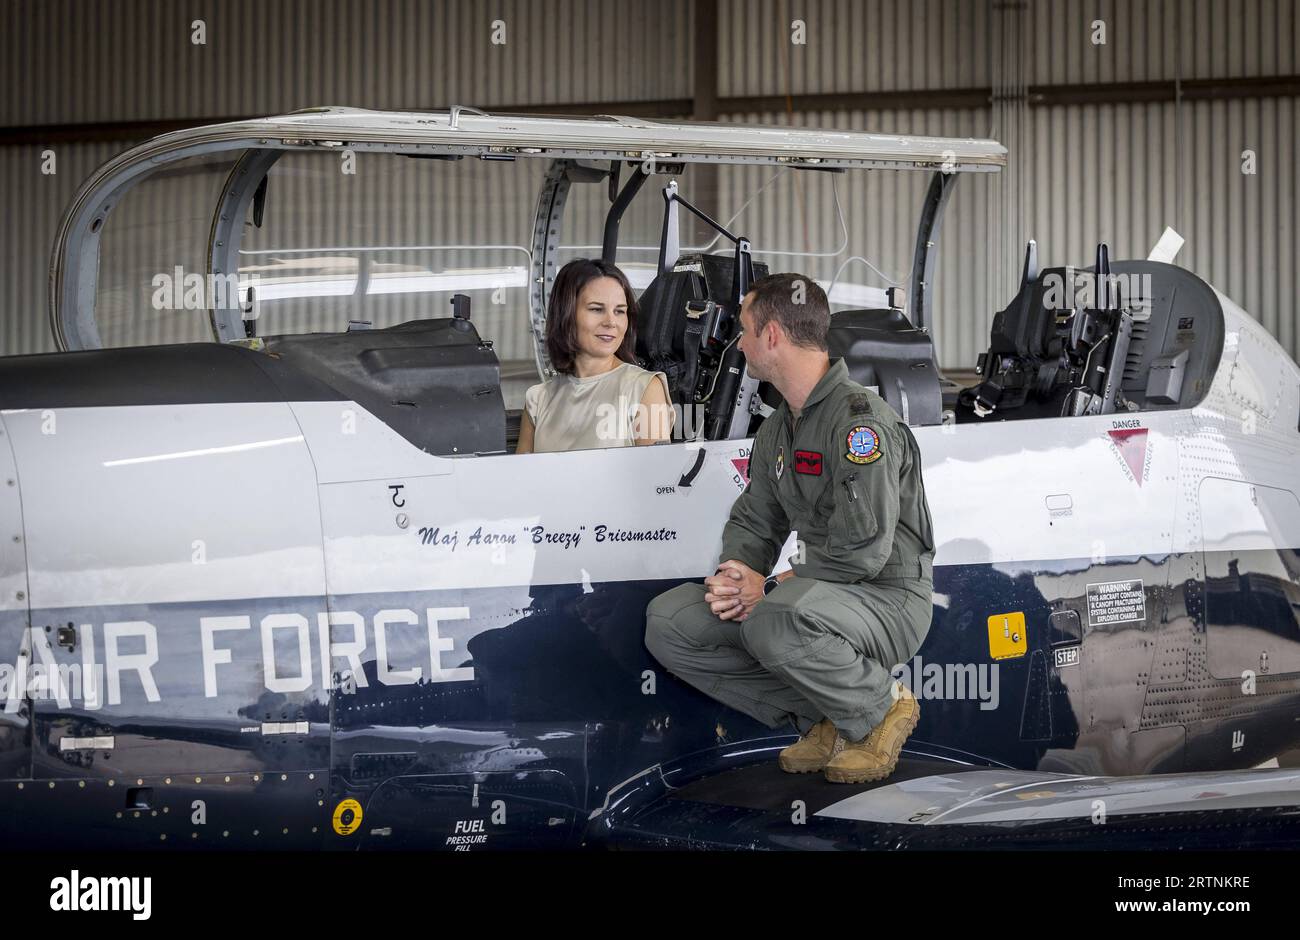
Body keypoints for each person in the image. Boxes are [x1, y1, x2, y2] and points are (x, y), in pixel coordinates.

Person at [644, 273, 935, 783]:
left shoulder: (859, 425)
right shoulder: (779, 426)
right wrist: (737, 574)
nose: (739, 344)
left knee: (773, 616)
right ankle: (826, 716)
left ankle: (879, 709)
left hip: (887, 599)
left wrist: (771, 586)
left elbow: (861, 552)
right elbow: (757, 515)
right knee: (670, 623)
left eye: (745, 331)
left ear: (773, 336)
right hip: (818, 599)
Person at [516, 258, 675, 454]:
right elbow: (522, 481)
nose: (611, 322)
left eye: (619, 311)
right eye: (596, 309)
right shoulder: (538, 399)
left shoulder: (645, 388)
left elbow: (657, 479)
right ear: (565, 314)